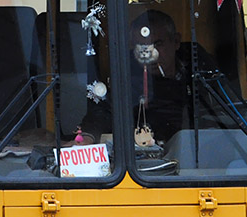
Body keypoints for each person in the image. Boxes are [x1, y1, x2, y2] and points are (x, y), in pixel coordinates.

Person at [78, 8, 218, 145]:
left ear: (176, 41)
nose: (149, 54)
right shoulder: (127, 74)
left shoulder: (196, 63)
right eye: (141, 46)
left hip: (198, 152)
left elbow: (222, 106)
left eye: (158, 44)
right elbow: (103, 111)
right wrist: (87, 137)